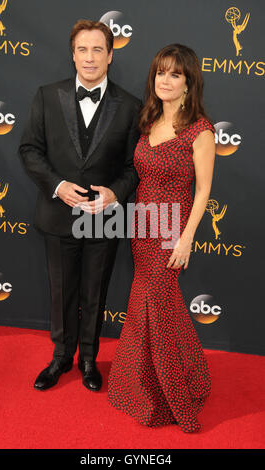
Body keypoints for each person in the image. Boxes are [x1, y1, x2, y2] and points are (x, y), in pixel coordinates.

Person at [19, 20, 141, 392]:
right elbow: (29, 150)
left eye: (98, 50)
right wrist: (56, 185)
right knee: (62, 292)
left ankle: (89, 357)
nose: (90, 58)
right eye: (82, 50)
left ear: (110, 55)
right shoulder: (45, 95)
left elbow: (134, 165)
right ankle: (61, 357)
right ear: (73, 54)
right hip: (58, 215)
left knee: (95, 291)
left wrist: (115, 194)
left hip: (103, 219)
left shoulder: (131, 106)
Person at [108, 44, 215, 433]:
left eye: (174, 74)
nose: (165, 81)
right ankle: (163, 379)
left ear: (188, 82)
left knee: (156, 302)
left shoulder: (200, 130)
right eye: (160, 73)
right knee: (154, 303)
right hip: (143, 223)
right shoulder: (149, 119)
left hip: (172, 227)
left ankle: (170, 392)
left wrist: (186, 239)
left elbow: (203, 191)